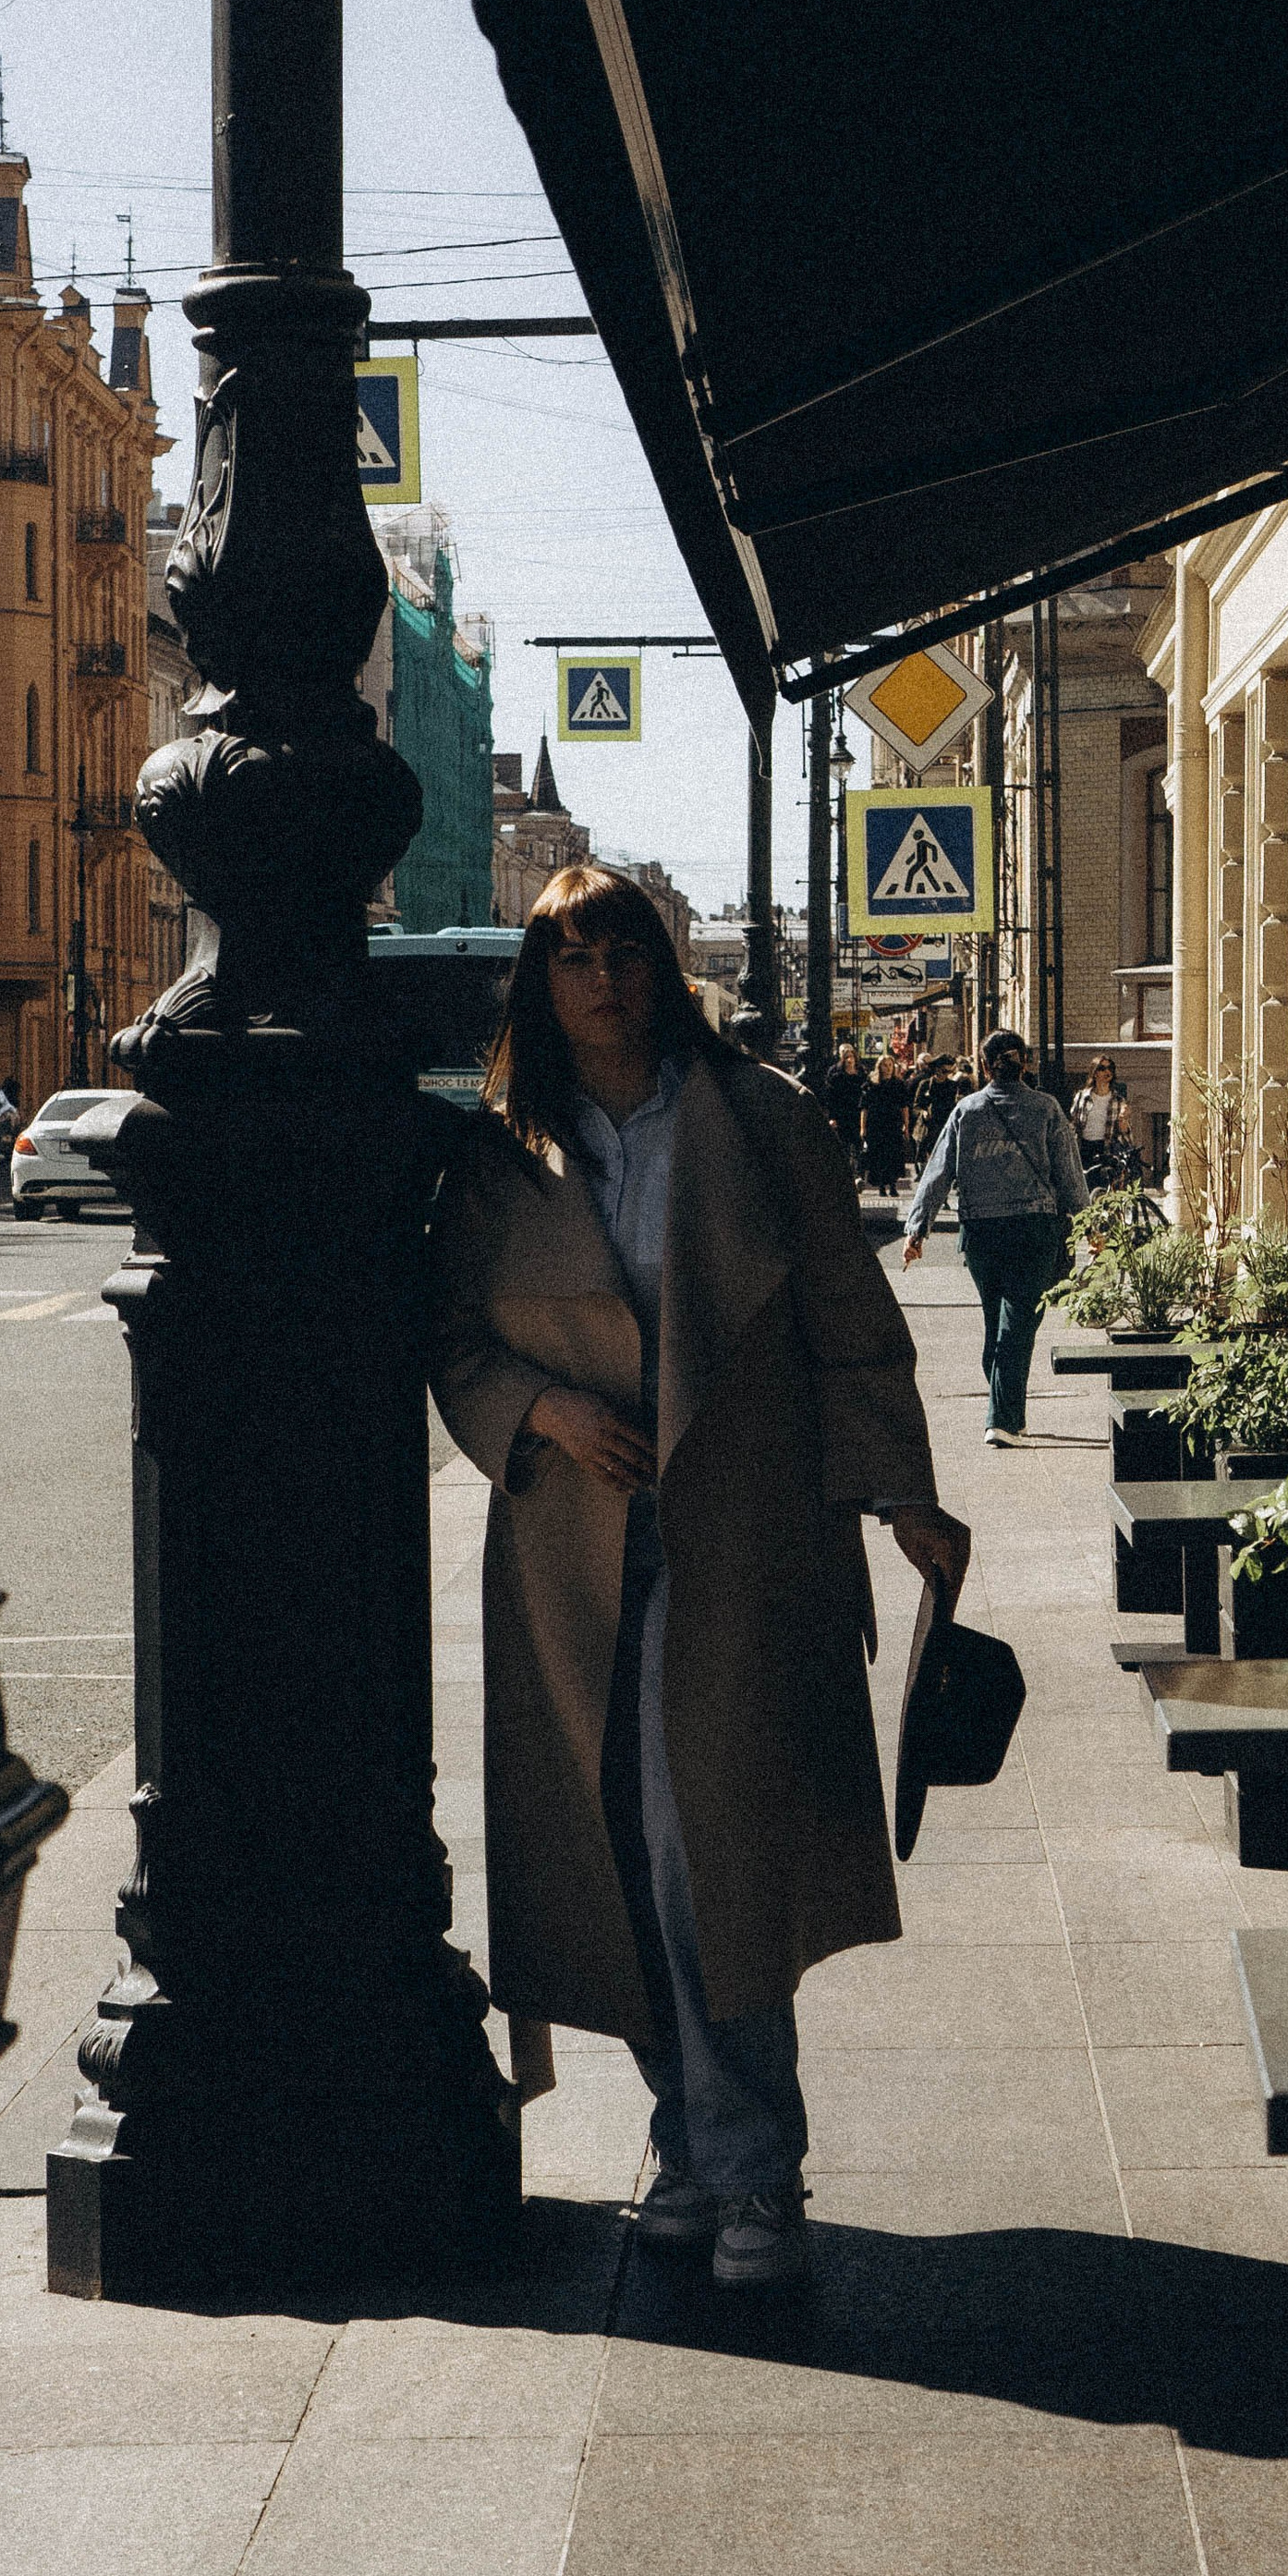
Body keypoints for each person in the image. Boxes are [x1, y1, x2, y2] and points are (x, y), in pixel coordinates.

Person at [429, 865, 970, 2290]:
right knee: (608, 1857)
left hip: (743, 1534)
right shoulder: (502, 1153)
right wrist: (543, 1412)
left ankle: (754, 2167)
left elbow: (851, 1323)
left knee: (704, 1860)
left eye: (625, 952)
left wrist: (903, 1494)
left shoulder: (762, 1121)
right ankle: (687, 2141)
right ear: (539, 984)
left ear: (663, 969)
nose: (603, 980)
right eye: (573, 958)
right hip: (572, 1552)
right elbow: (455, 1342)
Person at [901, 1030, 1089, 1445]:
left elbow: (937, 1172)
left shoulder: (966, 1110)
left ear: (985, 1066)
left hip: (981, 1233)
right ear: (1025, 1064)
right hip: (1034, 1229)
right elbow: (1069, 1174)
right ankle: (1001, 1419)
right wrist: (1090, 1223)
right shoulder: (1046, 1109)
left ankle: (1008, 1412)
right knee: (1018, 1322)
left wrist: (917, 1229)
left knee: (998, 1322)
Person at [860, 1049, 911, 1194]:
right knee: (879, 1155)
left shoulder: (899, 1085)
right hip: (876, 1123)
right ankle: (882, 1186)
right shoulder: (871, 1085)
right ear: (879, 1067)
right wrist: (863, 1127)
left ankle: (893, 1185)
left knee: (893, 1154)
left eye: (890, 1065)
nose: (888, 1068)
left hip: (893, 1123)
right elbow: (864, 1107)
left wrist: (906, 1125)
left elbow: (904, 1106)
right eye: (885, 1065)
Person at [1069, 1057, 1126, 1181]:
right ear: (1095, 1073)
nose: (1107, 1072)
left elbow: (1124, 1131)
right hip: (1084, 1147)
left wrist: (1124, 1120)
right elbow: (1074, 1123)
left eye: (1110, 1068)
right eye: (1102, 1068)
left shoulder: (1118, 1100)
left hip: (1106, 1148)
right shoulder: (1082, 1096)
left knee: (1103, 1184)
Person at [821, 1042, 865, 1172]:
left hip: (857, 1113)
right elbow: (831, 1098)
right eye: (846, 1057)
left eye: (852, 1057)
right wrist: (832, 1117)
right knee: (844, 1145)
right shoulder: (837, 1076)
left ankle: (858, 1172)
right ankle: (846, 1172)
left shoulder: (861, 1074)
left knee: (858, 1144)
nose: (850, 1060)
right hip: (842, 1114)